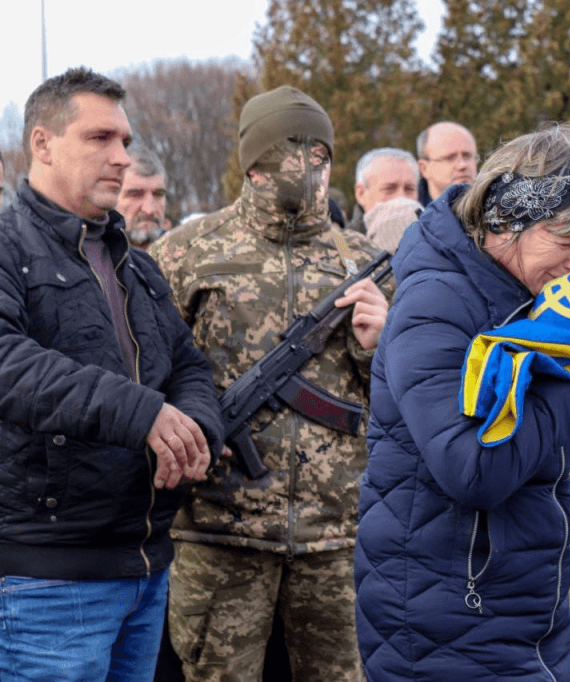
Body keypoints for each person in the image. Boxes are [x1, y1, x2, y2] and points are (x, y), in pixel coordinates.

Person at [355, 124, 570, 681]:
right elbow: (475, 469)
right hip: (447, 617)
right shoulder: (434, 304)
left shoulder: (534, 298)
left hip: (525, 603)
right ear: (506, 225)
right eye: (567, 241)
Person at [149, 85, 389, 682]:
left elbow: (404, 401)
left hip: (337, 534)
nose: (304, 166)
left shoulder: (363, 261)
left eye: (318, 153)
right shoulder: (185, 255)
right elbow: (146, 371)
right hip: (217, 529)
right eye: (287, 149)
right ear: (251, 162)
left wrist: (379, 347)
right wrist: (191, 427)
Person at [0, 66, 222, 681]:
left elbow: (188, 365)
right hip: (47, 581)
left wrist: (195, 428)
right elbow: (6, 362)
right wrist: (143, 413)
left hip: (146, 571)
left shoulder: (138, 266)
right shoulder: (7, 245)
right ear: (42, 143)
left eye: (124, 141)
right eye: (100, 138)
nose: (122, 157)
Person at [348, 147, 419, 234]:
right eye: (389, 189)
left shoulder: (435, 242)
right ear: (361, 193)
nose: (401, 197)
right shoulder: (341, 245)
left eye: (409, 189)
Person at [416, 120, 478, 205]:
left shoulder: (496, 209)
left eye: (467, 156)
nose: (462, 165)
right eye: (450, 158)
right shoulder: (411, 215)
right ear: (424, 169)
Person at [117, 145, 168, 247]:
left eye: (158, 195)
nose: (149, 210)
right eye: (135, 195)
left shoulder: (189, 257)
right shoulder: (87, 258)